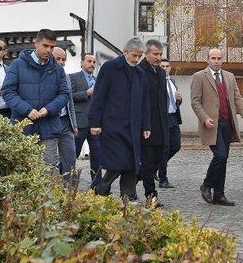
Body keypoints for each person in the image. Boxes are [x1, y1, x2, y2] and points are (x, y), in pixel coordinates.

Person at [88, 37, 151, 200]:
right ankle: (101, 188)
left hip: (134, 127)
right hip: (113, 125)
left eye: (140, 56)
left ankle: (128, 197)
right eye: (134, 55)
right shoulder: (110, 68)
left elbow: (145, 101)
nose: (137, 59)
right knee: (118, 162)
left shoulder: (140, 73)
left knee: (132, 163)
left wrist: (146, 126)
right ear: (125, 52)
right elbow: (98, 96)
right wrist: (95, 122)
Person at [2, 29, 70, 174]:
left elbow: (64, 94)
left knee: (49, 170)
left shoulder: (58, 69)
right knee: (21, 171)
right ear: (35, 43)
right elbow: (8, 92)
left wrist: (49, 109)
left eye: (52, 47)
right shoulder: (17, 65)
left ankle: (47, 198)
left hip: (49, 127)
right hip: (22, 126)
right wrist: (27, 110)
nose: (49, 50)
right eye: (45, 46)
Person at [190, 48, 243, 206]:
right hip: (211, 125)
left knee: (224, 159)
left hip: (227, 124)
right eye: (213, 58)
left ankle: (219, 194)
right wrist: (204, 118)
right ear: (208, 60)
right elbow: (195, 102)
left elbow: (237, 97)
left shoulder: (230, 77)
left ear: (222, 60)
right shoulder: (199, 77)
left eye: (219, 58)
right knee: (220, 156)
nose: (216, 61)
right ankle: (206, 185)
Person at [137, 39, 169, 204]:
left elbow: (163, 98)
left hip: (161, 124)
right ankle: (151, 196)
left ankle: (134, 177)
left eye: (160, 54)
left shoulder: (161, 72)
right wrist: (143, 124)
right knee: (148, 162)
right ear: (146, 53)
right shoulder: (139, 70)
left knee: (158, 158)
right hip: (146, 125)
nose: (158, 58)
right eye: (155, 54)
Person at [69, 53, 102, 186]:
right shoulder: (73, 77)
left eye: (94, 62)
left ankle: (97, 185)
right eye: (89, 61)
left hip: (95, 124)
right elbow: (68, 95)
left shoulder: (98, 80)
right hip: (80, 121)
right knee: (73, 154)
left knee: (97, 156)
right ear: (82, 63)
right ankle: (66, 182)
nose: (92, 64)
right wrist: (86, 94)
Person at [51, 47, 79, 187]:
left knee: (70, 158)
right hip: (49, 122)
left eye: (64, 59)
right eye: (58, 59)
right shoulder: (44, 76)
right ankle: (51, 191)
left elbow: (70, 103)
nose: (61, 62)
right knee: (49, 159)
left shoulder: (66, 77)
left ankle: (70, 192)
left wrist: (74, 125)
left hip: (65, 123)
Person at [158, 58, 182, 189]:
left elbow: (175, 102)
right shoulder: (157, 82)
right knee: (165, 148)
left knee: (176, 146)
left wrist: (180, 98)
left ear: (170, 68)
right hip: (163, 119)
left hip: (173, 117)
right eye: (162, 66)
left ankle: (157, 166)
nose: (165, 68)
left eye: (167, 66)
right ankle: (163, 179)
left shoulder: (172, 81)